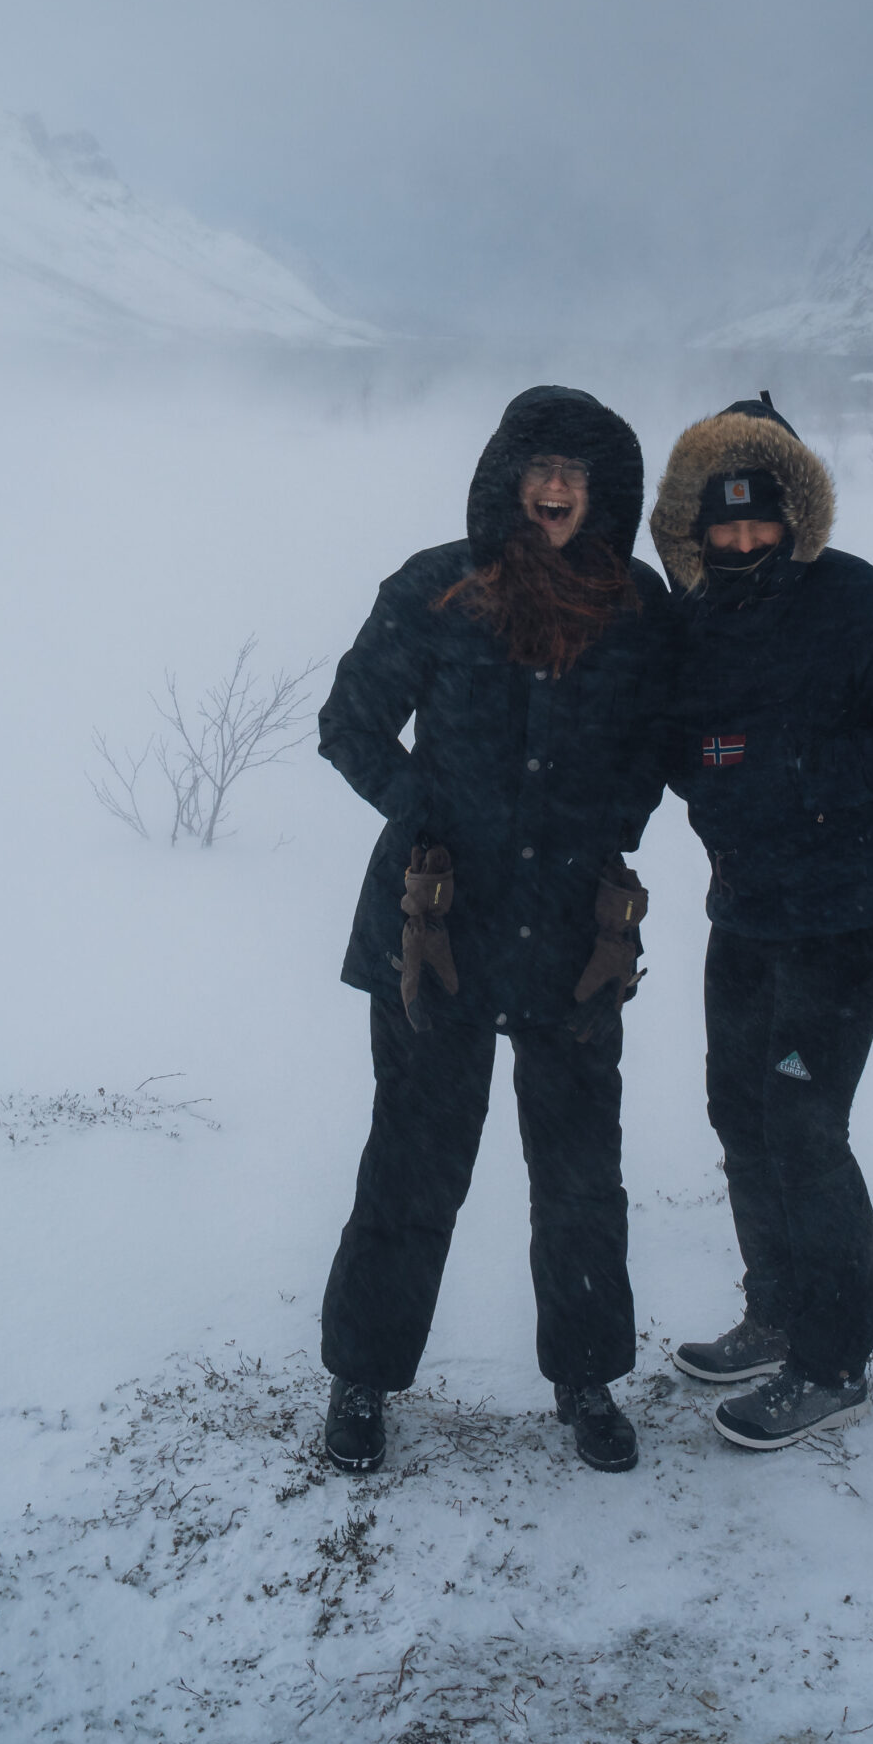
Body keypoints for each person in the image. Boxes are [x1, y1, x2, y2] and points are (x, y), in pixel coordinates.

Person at [315, 387, 671, 1475]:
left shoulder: (637, 606)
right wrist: (427, 815)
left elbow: (657, 741)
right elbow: (350, 724)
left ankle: (587, 1378)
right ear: (507, 480)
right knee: (413, 1162)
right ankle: (363, 1378)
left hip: (572, 932)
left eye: (577, 472)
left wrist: (611, 825)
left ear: (603, 491)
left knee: (579, 1169)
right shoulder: (438, 587)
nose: (556, 488)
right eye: (538, 468)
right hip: (438, 926)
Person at [648, 391, 873, 1451]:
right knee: (739, 1109)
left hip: (847, 913)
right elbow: (679, 745)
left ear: (794, 514)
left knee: (804, 1125)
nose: (742, 542)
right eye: (722, 524)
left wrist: (792, 776)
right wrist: (702, 773)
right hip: (746, 908)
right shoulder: (695, 618)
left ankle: (833, 1361)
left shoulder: (853, 597)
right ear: (694, 526)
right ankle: (775, 1312)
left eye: (760, 521)